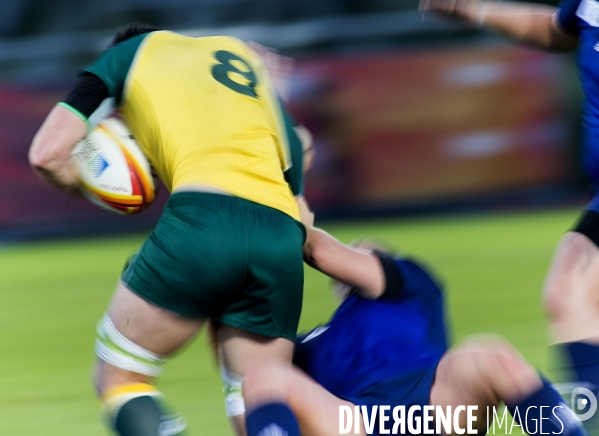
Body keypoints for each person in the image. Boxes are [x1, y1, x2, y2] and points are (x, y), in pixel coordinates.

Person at [28, 23, 310, 436]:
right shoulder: (245, 60)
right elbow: (300, 163)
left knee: (119, 380)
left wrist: (86, 181)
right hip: (282, 234)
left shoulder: (131, 52)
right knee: (261, 393)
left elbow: (46, 155)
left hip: (203, 221)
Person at [237, 198, 589, 436]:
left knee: (490, 355)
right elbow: (248, 403)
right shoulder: (310, 342)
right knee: (263, 377)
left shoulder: (414, 283)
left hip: (433, 408)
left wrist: (289, 208)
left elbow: (323, 251)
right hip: (356, 421)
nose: (357, 253)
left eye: (367, 252)